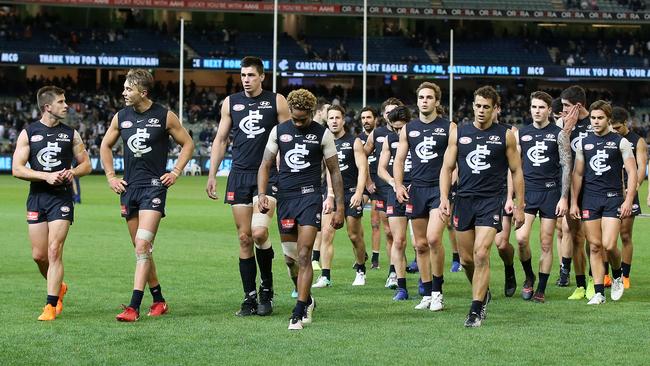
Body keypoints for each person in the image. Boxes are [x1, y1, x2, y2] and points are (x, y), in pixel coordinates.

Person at [100, 69, 194, 322]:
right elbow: (105, 146)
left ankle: (133, 307)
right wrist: (110, 176)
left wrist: (175, 171)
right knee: (142, 250)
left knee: (142, 246)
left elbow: (188, 144)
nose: (123, 93)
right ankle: (159, 299)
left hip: (154, 188)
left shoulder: (165, 116)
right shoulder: (121, 117)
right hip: (129, 189)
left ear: (143, 92)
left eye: (128, 89)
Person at [205, 56, 290, 316]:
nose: (246, 79)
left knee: (259, 233)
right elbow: (220, 139)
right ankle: (249, 297)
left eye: (251, 75)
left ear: (262, 76)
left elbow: (289, 137)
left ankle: (267, 288)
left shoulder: (276, 100)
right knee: (244, 238)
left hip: (268, 174)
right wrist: (212, 174)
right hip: (239, 174)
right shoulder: (231, 103)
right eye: (243, 75)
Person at [257, 88, 345, 330]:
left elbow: (335, 172)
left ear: (311, 113)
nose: (298, 122)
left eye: (302, 118)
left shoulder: (322, 134)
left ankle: (299, 309)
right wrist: (262, 194)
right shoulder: (279, 130)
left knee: (305, 254)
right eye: (294, 118)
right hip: (285, 198)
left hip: (309, 198)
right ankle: (306, 296)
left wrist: (339, 207)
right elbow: (265, 164)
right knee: (290, 259)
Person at [439, 86, 525, 327]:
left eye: (486, 107)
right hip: (464, 200)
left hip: (491, 200)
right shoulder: (459, 133)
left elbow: (517, 171)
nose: (481, 111)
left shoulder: (506, 134)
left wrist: (520, 205)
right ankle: (482, 292)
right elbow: (446, 168)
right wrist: (444, 198)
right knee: (466, 260)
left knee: (480, 253)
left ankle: (476, 310)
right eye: (478, 106)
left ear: (495, 109)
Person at [12, 85, 91, 321]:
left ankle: (50, 305)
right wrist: (45, 175)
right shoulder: (28, 133)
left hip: (61, 198)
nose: (66, 105)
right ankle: (59, 287)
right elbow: (17, 168)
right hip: (37, 196)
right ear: (47, 107)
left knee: (55, 250)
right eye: (61, 102)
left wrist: (73, 172)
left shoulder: (71, 133)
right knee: (39, 255)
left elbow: (86, 165)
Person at [393, 82, 453, 311]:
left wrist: (448, 189)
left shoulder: (449, 127)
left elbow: (454, 162)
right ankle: (427, 293)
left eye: (429, 97)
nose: (425, 101)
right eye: (421, 97)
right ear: (417, 101)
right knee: (419, 245)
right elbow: (399, 160)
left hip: (439, 190)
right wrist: (398, 185)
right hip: (416, 190)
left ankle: (438, 292)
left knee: (434, 238)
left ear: (437, 102)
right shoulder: (409, 128)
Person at [569, 100, 636, 304]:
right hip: (590, 199)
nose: (596, 122)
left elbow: (632, 172)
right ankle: (599, 292)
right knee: (595, 246)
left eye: (600, 118)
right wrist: (574, 202)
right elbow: (578, 174)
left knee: (608, 245)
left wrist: (628, 200)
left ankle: (617, 274)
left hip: (613, 198)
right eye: (593, 118)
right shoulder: (584, 143)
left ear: (608, 119)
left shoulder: (620, 142)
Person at [514, 91, 571, 302]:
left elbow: (566, 166)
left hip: (550, 192)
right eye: (534, 107)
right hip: (528, 193)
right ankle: (529, 276)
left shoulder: (559, 133)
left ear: (549, 110)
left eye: (541, 107)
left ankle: (541, 288)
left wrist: (564, 197)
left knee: (546, 243)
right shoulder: (522, 133)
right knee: (521, 239)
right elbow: (515, 167)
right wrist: (512, 195)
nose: (537, 111)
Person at [313, 105, 368, 287]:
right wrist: (329, 195)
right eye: (331, 118)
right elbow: (328, 171)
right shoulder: (324, 142)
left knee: (354, 235)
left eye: (337, 118)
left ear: (343, 120)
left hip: (351, 193)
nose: (334, 121)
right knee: (327, 234)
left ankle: (361, 270)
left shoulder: (354, 142)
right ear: (326, 121)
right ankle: (325, 276)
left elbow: (363, 170)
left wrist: (359, 193)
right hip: (331, 195)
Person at [556, 86, 592, 300]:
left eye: (566, 106)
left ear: (578, 106)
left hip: (595, 188)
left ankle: (594, 279)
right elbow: (562, 159)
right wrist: (565, 131)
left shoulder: (596, 122)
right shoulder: (562, 125)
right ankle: (580, 285)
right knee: (576, 237)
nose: (563, 111)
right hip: (571, 189)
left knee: (595, 240)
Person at [363, 98, 403, 288]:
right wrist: (369, 181)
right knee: (388, 232)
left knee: (407, 235)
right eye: (387, 112)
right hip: (383, 187)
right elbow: (362, 156)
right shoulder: (377, 134)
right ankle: (393, 272)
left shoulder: (407, 131)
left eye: (394, 111)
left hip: (405, 186)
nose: (390, 115)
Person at [378, 106, 413, 300]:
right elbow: (381, 168)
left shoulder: (417, 137)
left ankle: (429, 284)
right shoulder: (388, 140)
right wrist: (394, 183)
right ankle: (402, 287)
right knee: (398, 240)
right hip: (396, 192)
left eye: (402, 128)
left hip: (418, 191)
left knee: (420, 243)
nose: (399, 132)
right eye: (395, 128)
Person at [610, 107, 646, 289]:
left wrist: (633, 188)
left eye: (617, 128)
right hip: (608, 191)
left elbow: (641, 167)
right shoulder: (608, 139)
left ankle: (625, 275)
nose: (614, 131)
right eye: (612, 127)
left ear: (626, 124)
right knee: (606, 239)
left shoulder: (637, 141)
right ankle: (608, 275)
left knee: (625, 235)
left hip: (629, 192)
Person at [358, 106, 382, 269]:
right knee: (354, 215)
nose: (366, 121)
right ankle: (361, 252)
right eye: (363, 118)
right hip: (365, 182)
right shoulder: (358, 140)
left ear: (375, 119)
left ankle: (375, 258)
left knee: (375, 222)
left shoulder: (381, 136)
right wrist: (366, 182)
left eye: (369, 117)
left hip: (379, 183)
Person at [311, 98, 331, 272]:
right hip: (308, 183)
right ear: (319, 112)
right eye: (327, 110)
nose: (329, 113)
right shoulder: (310, 131)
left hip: (322, 185)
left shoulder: (325, 133)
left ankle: (314, 257)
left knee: (320, 223)